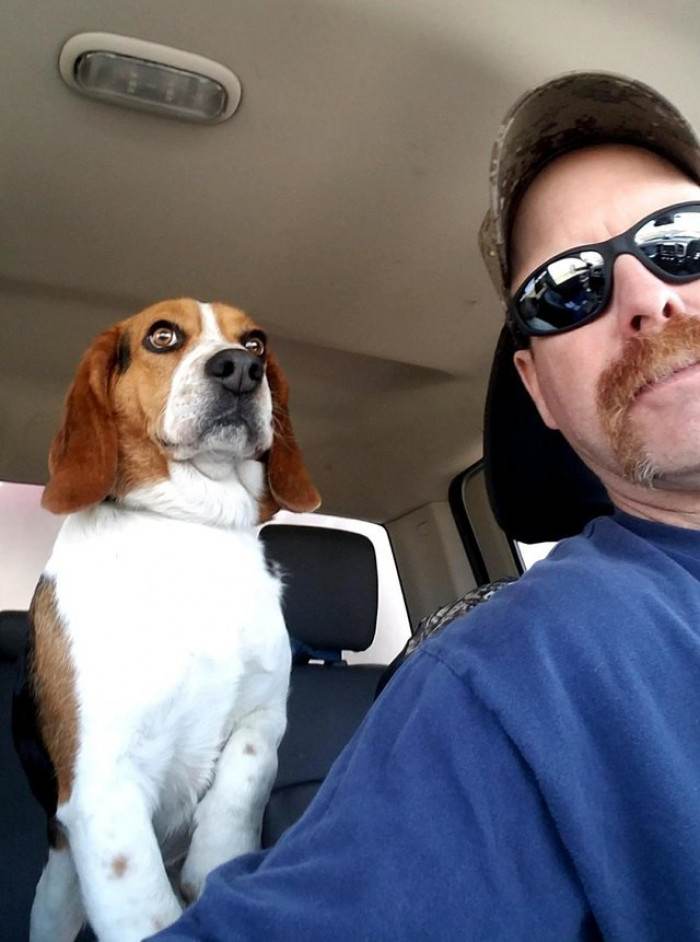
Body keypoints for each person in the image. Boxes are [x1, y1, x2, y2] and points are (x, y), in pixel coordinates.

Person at [150, 72, 700, 941]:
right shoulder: (518, 673)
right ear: (539, 393)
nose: (647, 298)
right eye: (563, 290)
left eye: (681, 237)